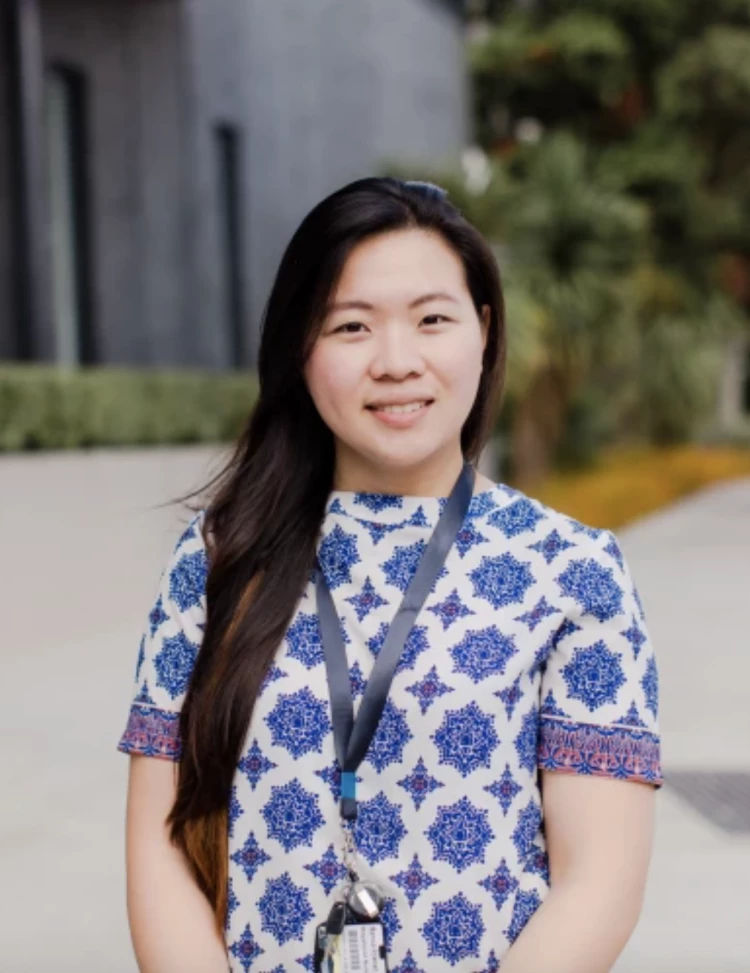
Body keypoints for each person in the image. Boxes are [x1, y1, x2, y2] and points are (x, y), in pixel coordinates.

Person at [117, 177, 663, 973]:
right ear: (301, 351)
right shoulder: (217, 559)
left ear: (482, 332)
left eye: (432, 319)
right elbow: (159, 847)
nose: (396, 362)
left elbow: (598, 882)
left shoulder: (572, 571)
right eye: (350, 326)